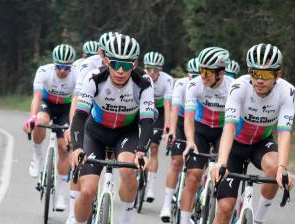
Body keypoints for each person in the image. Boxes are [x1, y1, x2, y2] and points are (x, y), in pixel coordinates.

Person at [70, 34, 155, 224]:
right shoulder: (94, 78)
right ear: (106, 60)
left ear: (134, 64)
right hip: (95, 133)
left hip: (125, 133)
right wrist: (77, 147)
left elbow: (148, 121)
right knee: (87, 191)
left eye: (126, 66)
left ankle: (126, 219)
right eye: (116, 64)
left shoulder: (143, 82)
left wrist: (141, 151)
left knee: (127, 170)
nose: (120, 71)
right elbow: (79, 116)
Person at [211, 43, 295, 224]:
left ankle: (258, 219)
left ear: (278, 75)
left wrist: (283, 168)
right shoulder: (239, 86)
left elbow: (283, 133)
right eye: (254, 73)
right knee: (225, 208)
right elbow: (230, 127)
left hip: (260, 143)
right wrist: (221, 162)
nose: (258, 80)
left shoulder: (287, 92)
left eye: (265, 74)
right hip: (235, 144)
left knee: (274, 167)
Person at [180, 47, 233, 224]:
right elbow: (188, 118)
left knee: (222, 173)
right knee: (193, 175)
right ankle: (184, 220)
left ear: (221, 72)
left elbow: (236, 122)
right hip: (200, 130)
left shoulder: (233, 87)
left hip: (222, 132)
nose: (202, 75)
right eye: (201, 70)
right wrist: (189, 141)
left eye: (207, 72)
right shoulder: (194, 84)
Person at [22, 44, 77, 211]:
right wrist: (32, 116)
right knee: (40, 120)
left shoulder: (76, 75)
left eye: (66, 67)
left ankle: (61, 193)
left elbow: (76, 103)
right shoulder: (44, 71)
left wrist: (72, 127)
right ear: (54, 63)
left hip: (65, 109)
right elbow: (37, 97)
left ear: (71, 66)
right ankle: (37, 155)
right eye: (59, 66)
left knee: (64, 148)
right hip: (47, 104)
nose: (62, 71)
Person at [160, 57, 200, 222]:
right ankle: (167, 204)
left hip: (198, 124)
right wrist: (170, 131)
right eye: (192, 75)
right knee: (176, 161)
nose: (196, 79)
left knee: (197, 169)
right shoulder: (182, 84)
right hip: (182, 121)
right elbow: (175, 109)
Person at [143, 51, 174, 202]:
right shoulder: (141, 77)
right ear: (145, 68)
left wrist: (167, 128)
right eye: (149, 69)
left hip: (160, 111)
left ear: (160, 70)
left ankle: (150, 187)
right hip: (143, 107)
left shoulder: (167, 81)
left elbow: (168, 106)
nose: (152, 72)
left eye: (156, 69)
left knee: (154, 149)